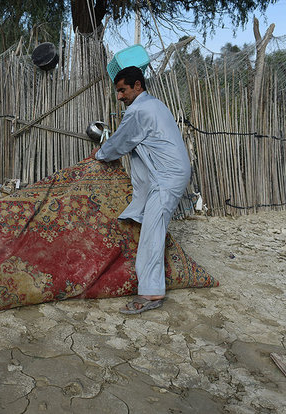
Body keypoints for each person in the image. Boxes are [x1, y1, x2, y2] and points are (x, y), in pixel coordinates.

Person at [92, 65, 191, 314]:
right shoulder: (153, 105)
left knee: (152, 231)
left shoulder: (140, 110)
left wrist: (100, 154)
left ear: (138, 86)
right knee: (151, 224)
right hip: (168, 173)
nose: (119, 96)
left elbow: (120, 142)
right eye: (117, 91)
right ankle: (151, 285)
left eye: (123, 90)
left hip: (167, 177)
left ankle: (151, 292)